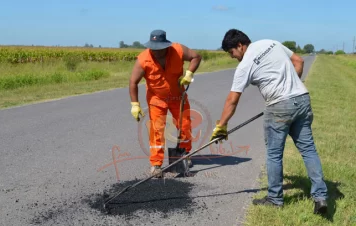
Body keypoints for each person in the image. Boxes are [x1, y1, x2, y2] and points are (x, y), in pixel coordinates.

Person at [209, 29, 328, 214]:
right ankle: (320, 197)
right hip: (302, 99)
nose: (233, 57)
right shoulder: (270, 42)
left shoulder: (245, 65)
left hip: (279, 106)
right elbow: (299, 60)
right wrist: (289, 89)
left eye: (232, 52)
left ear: (240, 46)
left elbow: (232, 100)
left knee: (274, 154)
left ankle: (275, 199)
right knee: (308, 149)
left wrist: (221, 125)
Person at [129, 29, 202, 177]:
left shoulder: (178, 50)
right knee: (157, 130)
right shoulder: (143, 59)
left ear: (166, 45)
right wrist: (134, 104)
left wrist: (189, 74)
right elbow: (133, 82)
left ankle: (185, 154)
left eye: (159, 49)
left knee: (185, 125)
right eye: (153, 48)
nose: (156, 52)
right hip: (157, 99)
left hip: (177, 97)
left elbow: (196, 57)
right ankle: (156, 164)